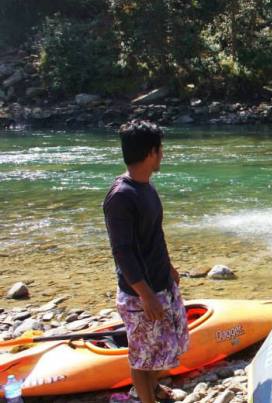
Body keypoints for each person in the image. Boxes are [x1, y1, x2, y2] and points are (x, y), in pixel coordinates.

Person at [103, 119, 188, 403]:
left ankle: (153, 388)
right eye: (161, 149)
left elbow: (154, 234)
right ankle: (146, 397)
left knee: (165, 346)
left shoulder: (146, 188)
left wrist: (169, 267)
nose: (163, 154)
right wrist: (146, 295)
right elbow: (122, 252)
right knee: (142, 356)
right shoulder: (121, 197)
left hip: (159, 282)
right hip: (140, 293)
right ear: (151, 152)